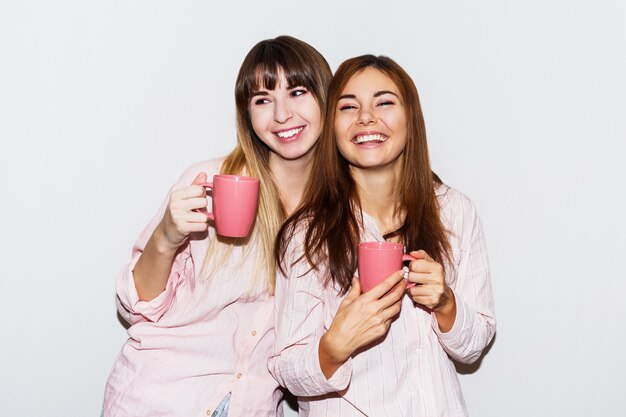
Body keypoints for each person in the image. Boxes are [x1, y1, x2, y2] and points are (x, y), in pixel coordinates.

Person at [102, 36, 332, 417]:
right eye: (263, 100)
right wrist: (165, 238)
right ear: (247, 115)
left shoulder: (338, 218)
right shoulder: (209, 180)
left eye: (297, 91)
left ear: (326, 97)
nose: (281, 114)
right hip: (159, 399)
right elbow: (136, 307)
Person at [271, 55, 496, 416]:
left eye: (384, 102)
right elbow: (285, 367)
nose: (365, 117)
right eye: (348, 106)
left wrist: (445, 304)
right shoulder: (306, 233)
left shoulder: (454, 211)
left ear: (411, 119)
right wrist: (333, 346)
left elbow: (474, 345)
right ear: (332, 126)